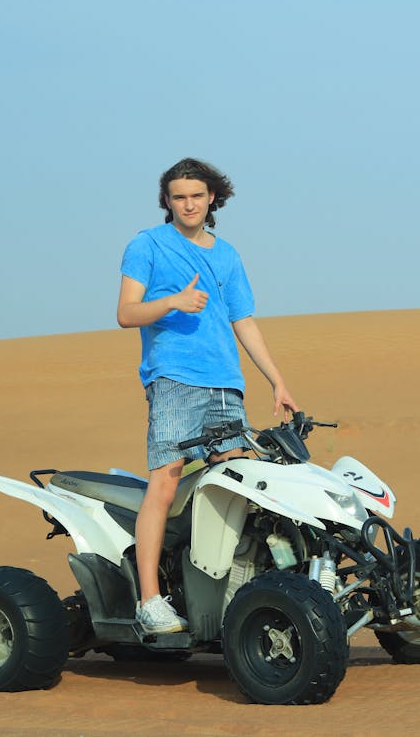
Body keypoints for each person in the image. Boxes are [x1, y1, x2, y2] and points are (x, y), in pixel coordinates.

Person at [117, 157, 298, 634]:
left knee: (237, 488)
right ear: (167, 201)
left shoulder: (228, 255)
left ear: (212, 197)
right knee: (165, 482)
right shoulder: (148, 244)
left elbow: (244, 321)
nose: (189, 204)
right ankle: (150, 601)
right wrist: (172, 302)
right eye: (179, 197)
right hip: (174, 379)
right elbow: (126, 313)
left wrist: (276, 380)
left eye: (197, 195)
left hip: (225, 385)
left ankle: (233, 596)